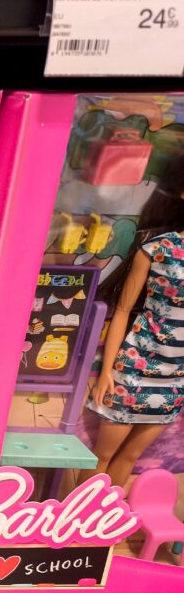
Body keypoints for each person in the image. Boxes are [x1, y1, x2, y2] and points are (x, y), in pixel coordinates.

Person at [87, 156, 184, 488]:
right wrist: (107, 371)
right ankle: (85, 516)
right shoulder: (158, 248)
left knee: (130, 456)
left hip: (176, 379)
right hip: (135, 367)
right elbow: (123, 310)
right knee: (102, 455)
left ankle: (107, 519)